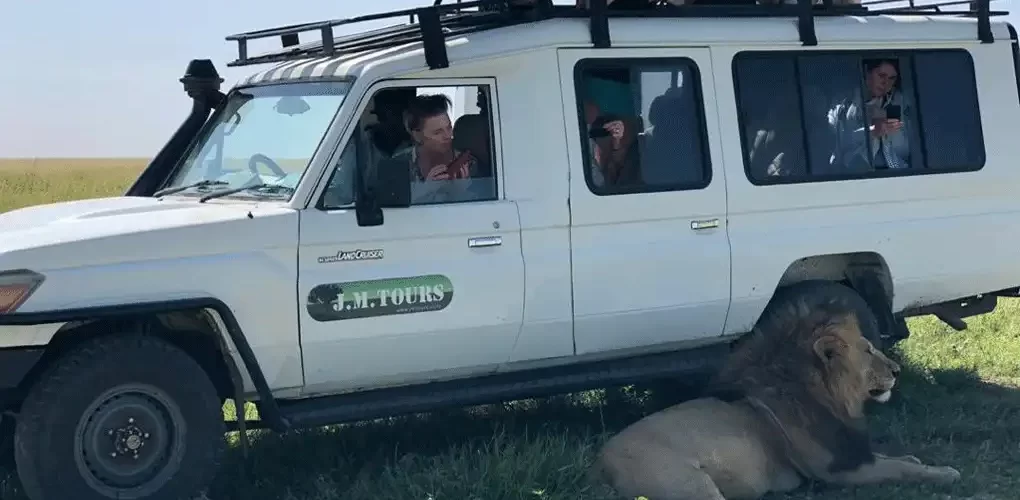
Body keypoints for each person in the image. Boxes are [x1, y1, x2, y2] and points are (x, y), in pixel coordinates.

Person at [380, 93, 486, 205]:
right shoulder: (399, 164)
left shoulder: (470, 164)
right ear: (417, 135)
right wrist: (425, 191)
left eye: (449, 127)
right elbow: (392, 210)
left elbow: (484, 212)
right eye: (437, 132)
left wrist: (460, 193)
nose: (448, 135)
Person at [829, 58, 913, 171]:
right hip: (855, 174)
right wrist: (872, 131)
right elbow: (840, 142)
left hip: (897, 172)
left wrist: (888, 129)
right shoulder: (844, 104)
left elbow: (905, 147)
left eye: (892, 78)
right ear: (866, 72)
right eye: (881, 76)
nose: (886, 83)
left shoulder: (898, 102)